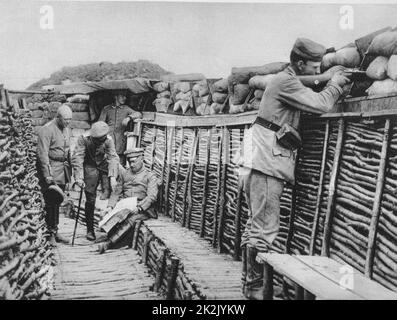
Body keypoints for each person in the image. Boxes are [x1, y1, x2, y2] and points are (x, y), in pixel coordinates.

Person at [239, 37, 351, 300]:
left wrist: (322, 79)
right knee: (264, 230)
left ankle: (249, 282)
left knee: (255, 226)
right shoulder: (285, 81)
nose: (317, 72)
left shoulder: (286, 79)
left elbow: (310, 84)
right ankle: (255, 288)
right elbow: (321, 103)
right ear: (299, 63)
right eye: (313, 67)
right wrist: (334, 86)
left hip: (259, 160)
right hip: (267, 163)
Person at [97, 148, 158, 254]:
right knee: (115, 214)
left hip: (142, 209)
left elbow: (152, 197)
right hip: (126, 205)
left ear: (141, 159)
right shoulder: (125, 174)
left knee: (131, 219)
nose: (132, 164)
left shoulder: (150, 176)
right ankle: (109, 236)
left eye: (134, 161)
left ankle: (109, 244)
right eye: (130, 162)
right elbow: (116, 192)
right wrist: (110, 206)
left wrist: (139, 207)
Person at [72, 121, 119, 241]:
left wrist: (112, 176)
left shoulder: (108, 139)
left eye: (102, 140)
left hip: (103, 166)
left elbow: (113, 156)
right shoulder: (83, 139)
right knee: (90, 197)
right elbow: (78, 157)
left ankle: (108, 228)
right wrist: (79, 177)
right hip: (90, 167)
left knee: (109, 193)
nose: (101, 143)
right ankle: (90, 229)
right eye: (98, 141)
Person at [36, 104, 73, 244]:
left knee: (58, 202)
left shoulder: (67, 129)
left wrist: (71, 172)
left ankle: (55, 230)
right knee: (50, 202)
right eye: (65, 119)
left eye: (70, 119)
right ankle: (49, 233)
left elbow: (68, 151)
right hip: (51, 169)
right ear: (58, 117)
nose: (68, 122)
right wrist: (47, 174)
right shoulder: (46, 130)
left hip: (62, 170)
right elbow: (42, 154)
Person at [98, 90, 142, 165]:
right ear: (115, 97)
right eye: (122, 96)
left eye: (125, 96)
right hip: (108, 140)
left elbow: (139, 114)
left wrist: (129, 118)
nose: (124, 98)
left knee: (120, 163)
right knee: (107, 162)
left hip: (120, 141)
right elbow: (100, 124)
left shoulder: (126, 108)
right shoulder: (107, 109)